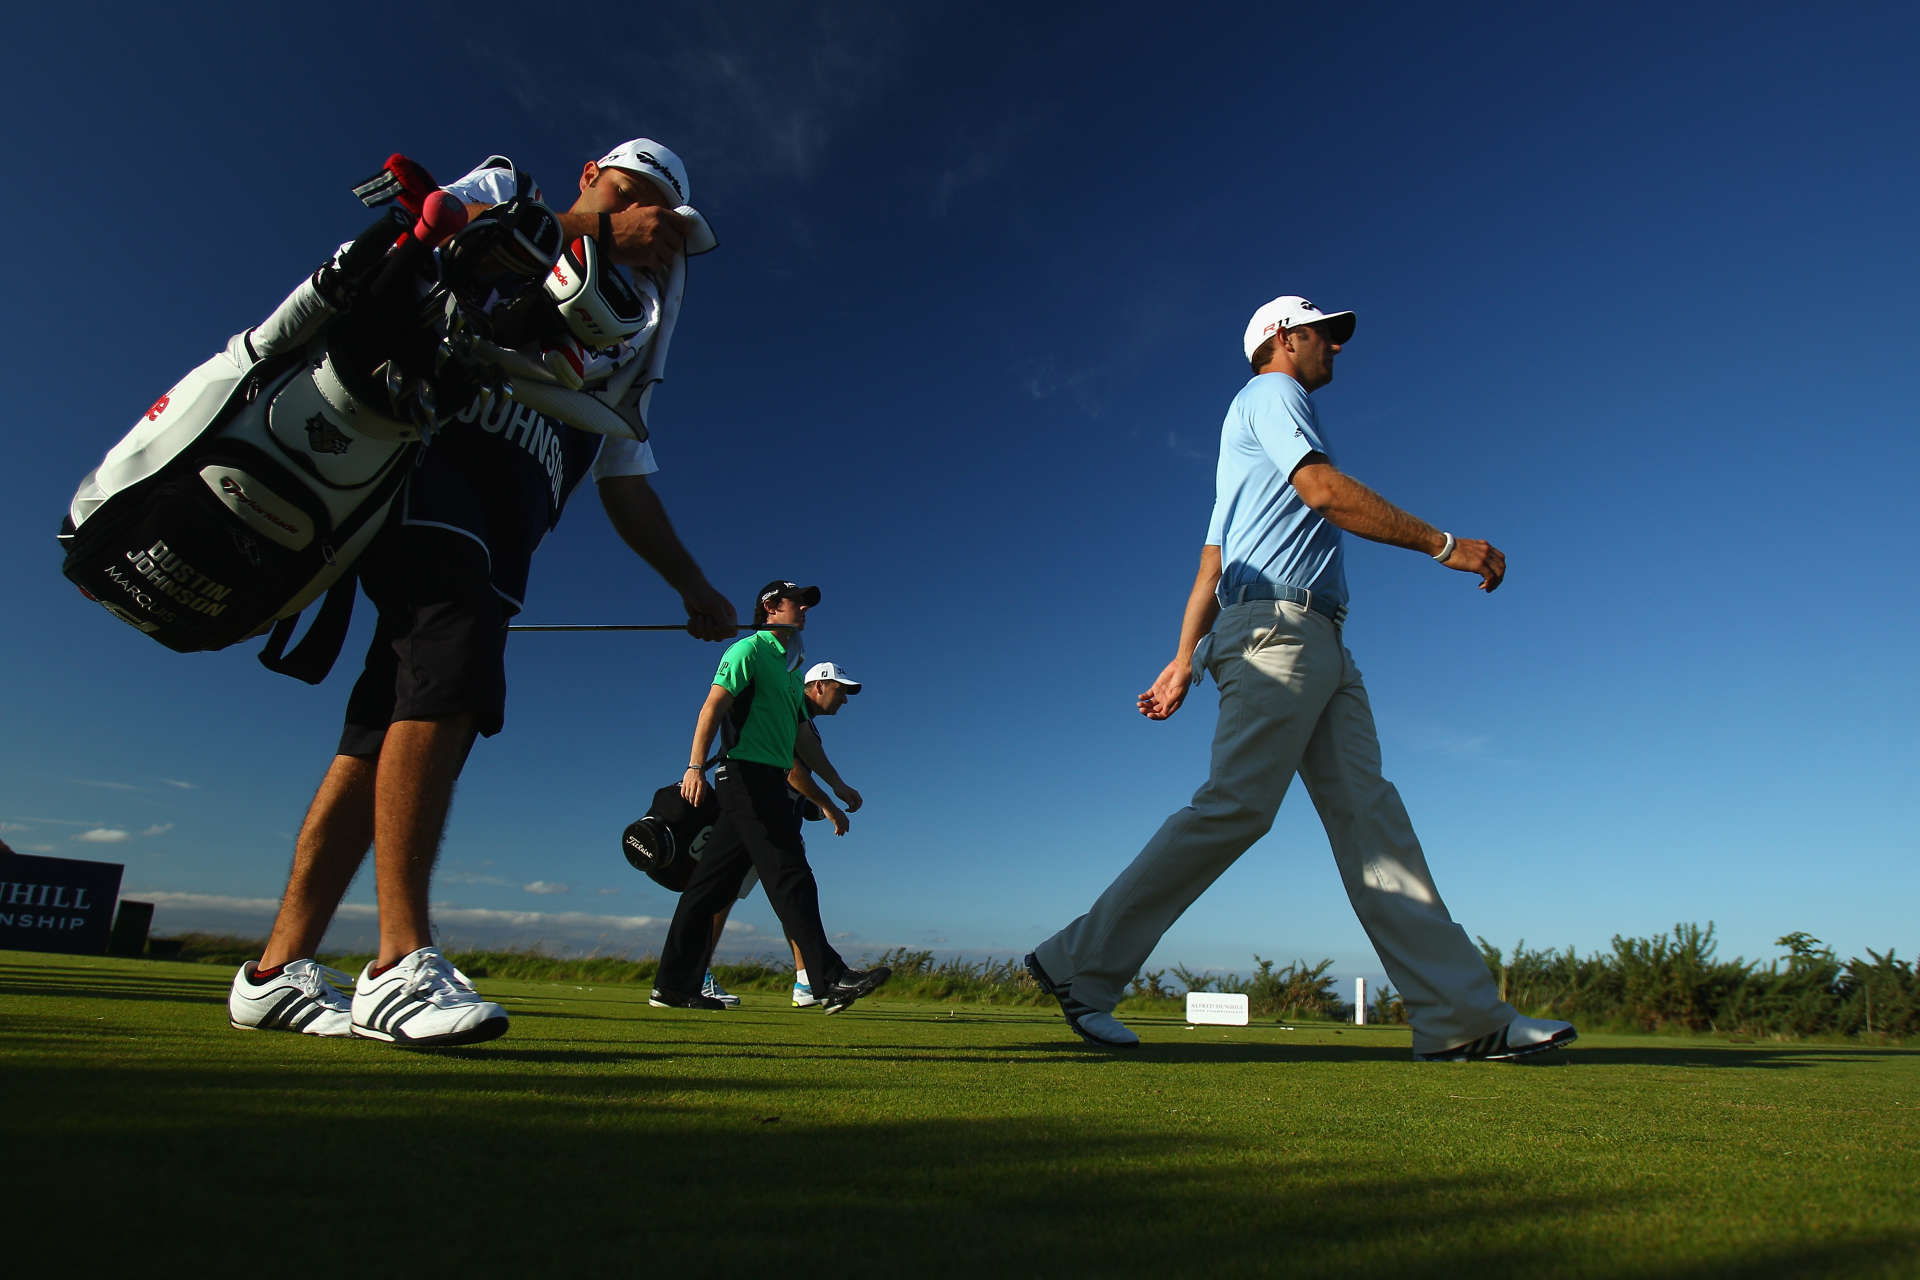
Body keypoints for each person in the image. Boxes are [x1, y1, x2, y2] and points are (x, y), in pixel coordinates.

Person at [227, 139, 737, 1046]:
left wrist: (694, 586)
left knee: (381, 723)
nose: (662, 244)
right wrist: (587, 233)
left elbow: (624, 477)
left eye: (672, 239)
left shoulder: (628, 331)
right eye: (649, 210)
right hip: (424, 479)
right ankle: (397, 962)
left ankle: (274, 970)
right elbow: (405, 256)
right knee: (451, 660)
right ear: (597, 176)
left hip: (506, 533)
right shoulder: (515, 199)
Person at [1025, 295, 1577, 1062]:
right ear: (1284, 339)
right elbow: (1324, 491)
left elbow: (1208, 567)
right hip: (1278, 635)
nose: (1337, 349)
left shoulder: (1240, 443)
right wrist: (1445, 544)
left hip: (1313, 639)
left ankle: (1460, 1017)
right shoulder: (1272, 394)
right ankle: (1076, 964)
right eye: (1326, 335)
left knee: (1369, 817)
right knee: (1236, 808)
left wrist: (1184, 659)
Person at [649, 583, 889, 1013]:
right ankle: (826, 977)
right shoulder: (748, 651)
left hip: (764, 777)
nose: (803, 610)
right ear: (770, 608)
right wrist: (692, 766)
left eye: (806, 604)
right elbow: (712, 708)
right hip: (744, 775)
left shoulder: (791, 667)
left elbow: (801, 737)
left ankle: (671, 985)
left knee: (708, 888)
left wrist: (836, 783)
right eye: (797, 603)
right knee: (790, 873)